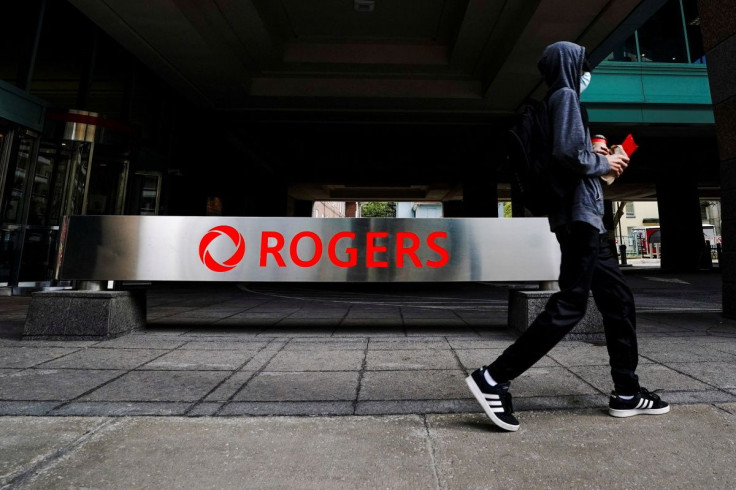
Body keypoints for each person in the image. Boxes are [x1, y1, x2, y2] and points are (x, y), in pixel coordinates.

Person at [465, 41, 670, 432]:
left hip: (588, 219)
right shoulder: (565, 95)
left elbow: (576, 157)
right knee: (570, 306)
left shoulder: (564, 99)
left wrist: (601, 164)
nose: (587, 73)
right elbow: (568, 154)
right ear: (572, 65)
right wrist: (604, 160)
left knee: (619, 301)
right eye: (584, 65)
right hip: (579, 222)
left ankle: (627, 391)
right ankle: (493, 378)